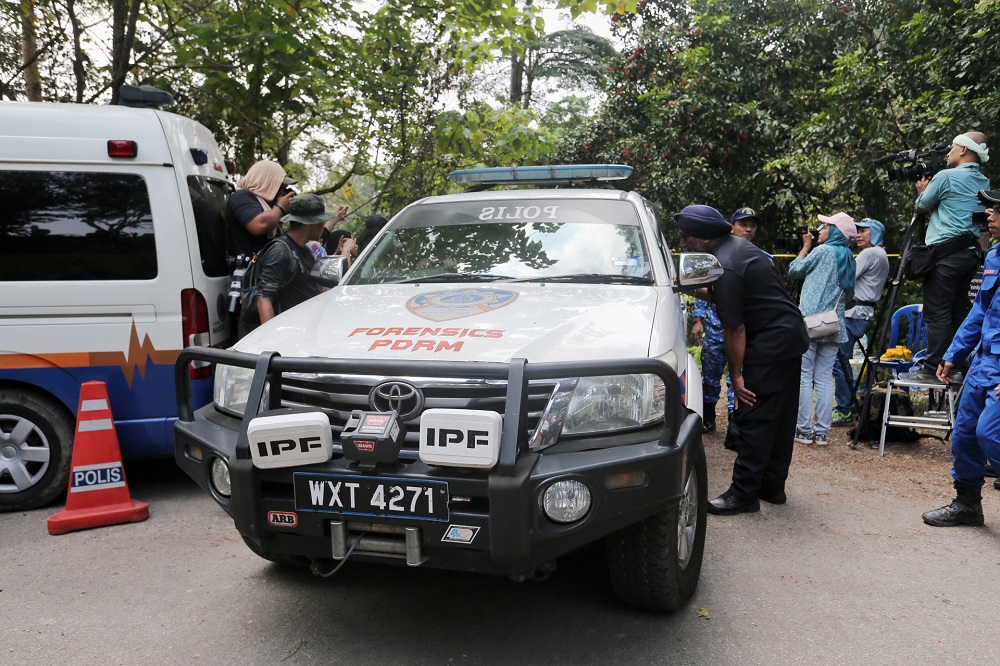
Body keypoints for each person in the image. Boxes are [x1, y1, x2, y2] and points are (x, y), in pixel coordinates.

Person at [675, 205, 810, 515]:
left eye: (686, 238)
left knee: (753, 415)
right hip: (789, 336)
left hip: (771, 343)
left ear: (703, 238)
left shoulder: (727, 264)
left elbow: (734, 328)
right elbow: (726, 293)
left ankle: (744, 494)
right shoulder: (738, 250)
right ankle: (772, 487)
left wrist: (736, 377)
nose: (683, 243)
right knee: (780, 416)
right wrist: (689, 288)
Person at [921, 189, 1000, 527]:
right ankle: (967, 504)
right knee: (966, 433)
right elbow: (979, 311)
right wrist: (954, 353)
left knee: (990, 433)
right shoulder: (995, 256)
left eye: (996, 211)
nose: (989, 217)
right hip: (984, 362)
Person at [902, 132, 990, 382]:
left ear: (963, 149)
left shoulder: (946, 177)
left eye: (953, 147)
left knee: (938, 313)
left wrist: (922, 190)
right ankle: (956, 366)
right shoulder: (983, 181)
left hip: (944, 257)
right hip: (969, 255)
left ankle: (931, 369)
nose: (949, 152)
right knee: (959, 311)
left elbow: (921, 205)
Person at [788, 213, 857, 446]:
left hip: (811, 321)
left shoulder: (822, 251)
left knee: (804, 375)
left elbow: (795, 270)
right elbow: (849, 294)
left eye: (825, 226)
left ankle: (804, 430)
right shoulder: (848, 256)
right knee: (825, 377)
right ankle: (821, 433)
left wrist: (805, 247)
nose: (820, 230)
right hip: (833, 324)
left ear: (836, 231)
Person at [831, 218, 890, 426]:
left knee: (838, 359)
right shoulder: (881, 254)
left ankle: (844, 408)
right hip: (862, 313)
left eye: (864, 231)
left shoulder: (870, 253)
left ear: (874, 233)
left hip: (855, 314)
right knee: (840, 357)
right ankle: (848, 403)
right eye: (857, 231)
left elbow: (847, 277)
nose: (858, 235)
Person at [248, 194, 331, 330]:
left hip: (303, 330)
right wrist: (272, 341)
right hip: (286, 333)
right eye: (321, 221)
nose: (323, 225)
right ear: (312, 224)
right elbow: (264, 299)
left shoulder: (307, 251)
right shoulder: (280, 251)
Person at [226, 160, 296, 262]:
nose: (282, 192)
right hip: (247, 273)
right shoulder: (241, 197)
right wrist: (281, 207)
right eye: (280, 186)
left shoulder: (266, 208)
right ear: (266, 182)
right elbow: (260, 225)